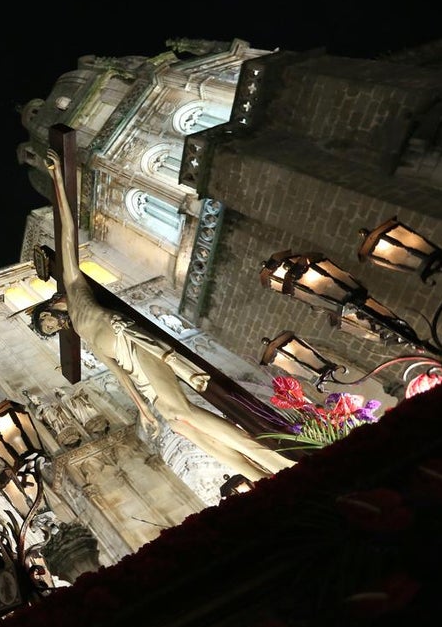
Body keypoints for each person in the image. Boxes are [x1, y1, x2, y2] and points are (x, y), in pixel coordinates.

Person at [33, 149, 292, 482]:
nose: (52, 325)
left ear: (54, 303)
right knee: (181, 425)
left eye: (46, 318)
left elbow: (66, 234)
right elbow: (117, 372)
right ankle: (254, 474)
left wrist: (57, 178)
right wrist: (143, 410)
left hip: (140, 349)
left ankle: (275, 462)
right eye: (50, 328)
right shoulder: (80, 332)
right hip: (134, 370)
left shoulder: (75, 288)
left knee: (180, 411)